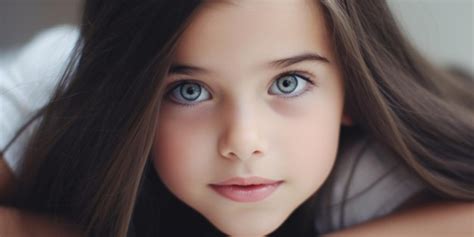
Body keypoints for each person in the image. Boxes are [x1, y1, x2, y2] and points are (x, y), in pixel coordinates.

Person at [0, 0, 473, 236]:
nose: (244, 143)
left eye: (288, 83)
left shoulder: (363, 168)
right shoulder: (48, 93)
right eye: (189, 91)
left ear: (353, 90)